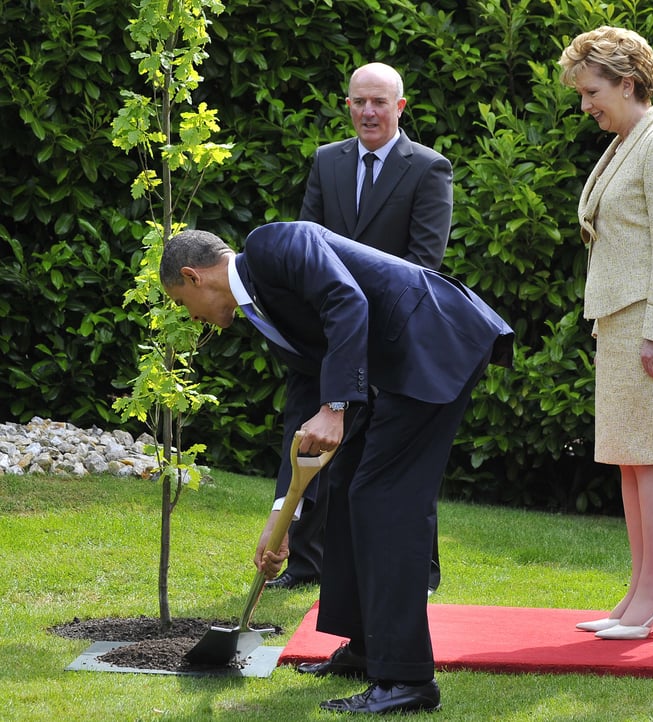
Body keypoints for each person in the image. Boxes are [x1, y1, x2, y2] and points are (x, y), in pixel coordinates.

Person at [160, 221, 513, 713]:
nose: (191, 317)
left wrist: (336, 406)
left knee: (385, 502)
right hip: (396, 370)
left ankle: (406, 679)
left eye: (181, 303)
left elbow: (347, 300)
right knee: (349, 491)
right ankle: (367, 650)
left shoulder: (275, 244)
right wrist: (283, 515)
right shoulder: (264, 310)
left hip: (433, 345)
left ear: (193, 277)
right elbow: (306, 409)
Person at [268, 61, 453, 593]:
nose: (368, 111)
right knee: (307, 440)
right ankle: (306, 564)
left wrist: (365, 321)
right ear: (347, 105)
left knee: (395, 457)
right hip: (327, 335)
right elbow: (306, 247)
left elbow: (424, 266)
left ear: (400, 107)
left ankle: (422, 571)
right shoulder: (327, 162)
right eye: (358, 102)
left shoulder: (428, 168)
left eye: (379, 102)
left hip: (394, 338)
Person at [557, 26, 653, 641]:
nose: (587, 104)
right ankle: (638, 593)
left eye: (593, 91)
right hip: (623, 320)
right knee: (629, 460)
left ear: (628, 83)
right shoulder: (630, 141)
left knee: (652, 460)